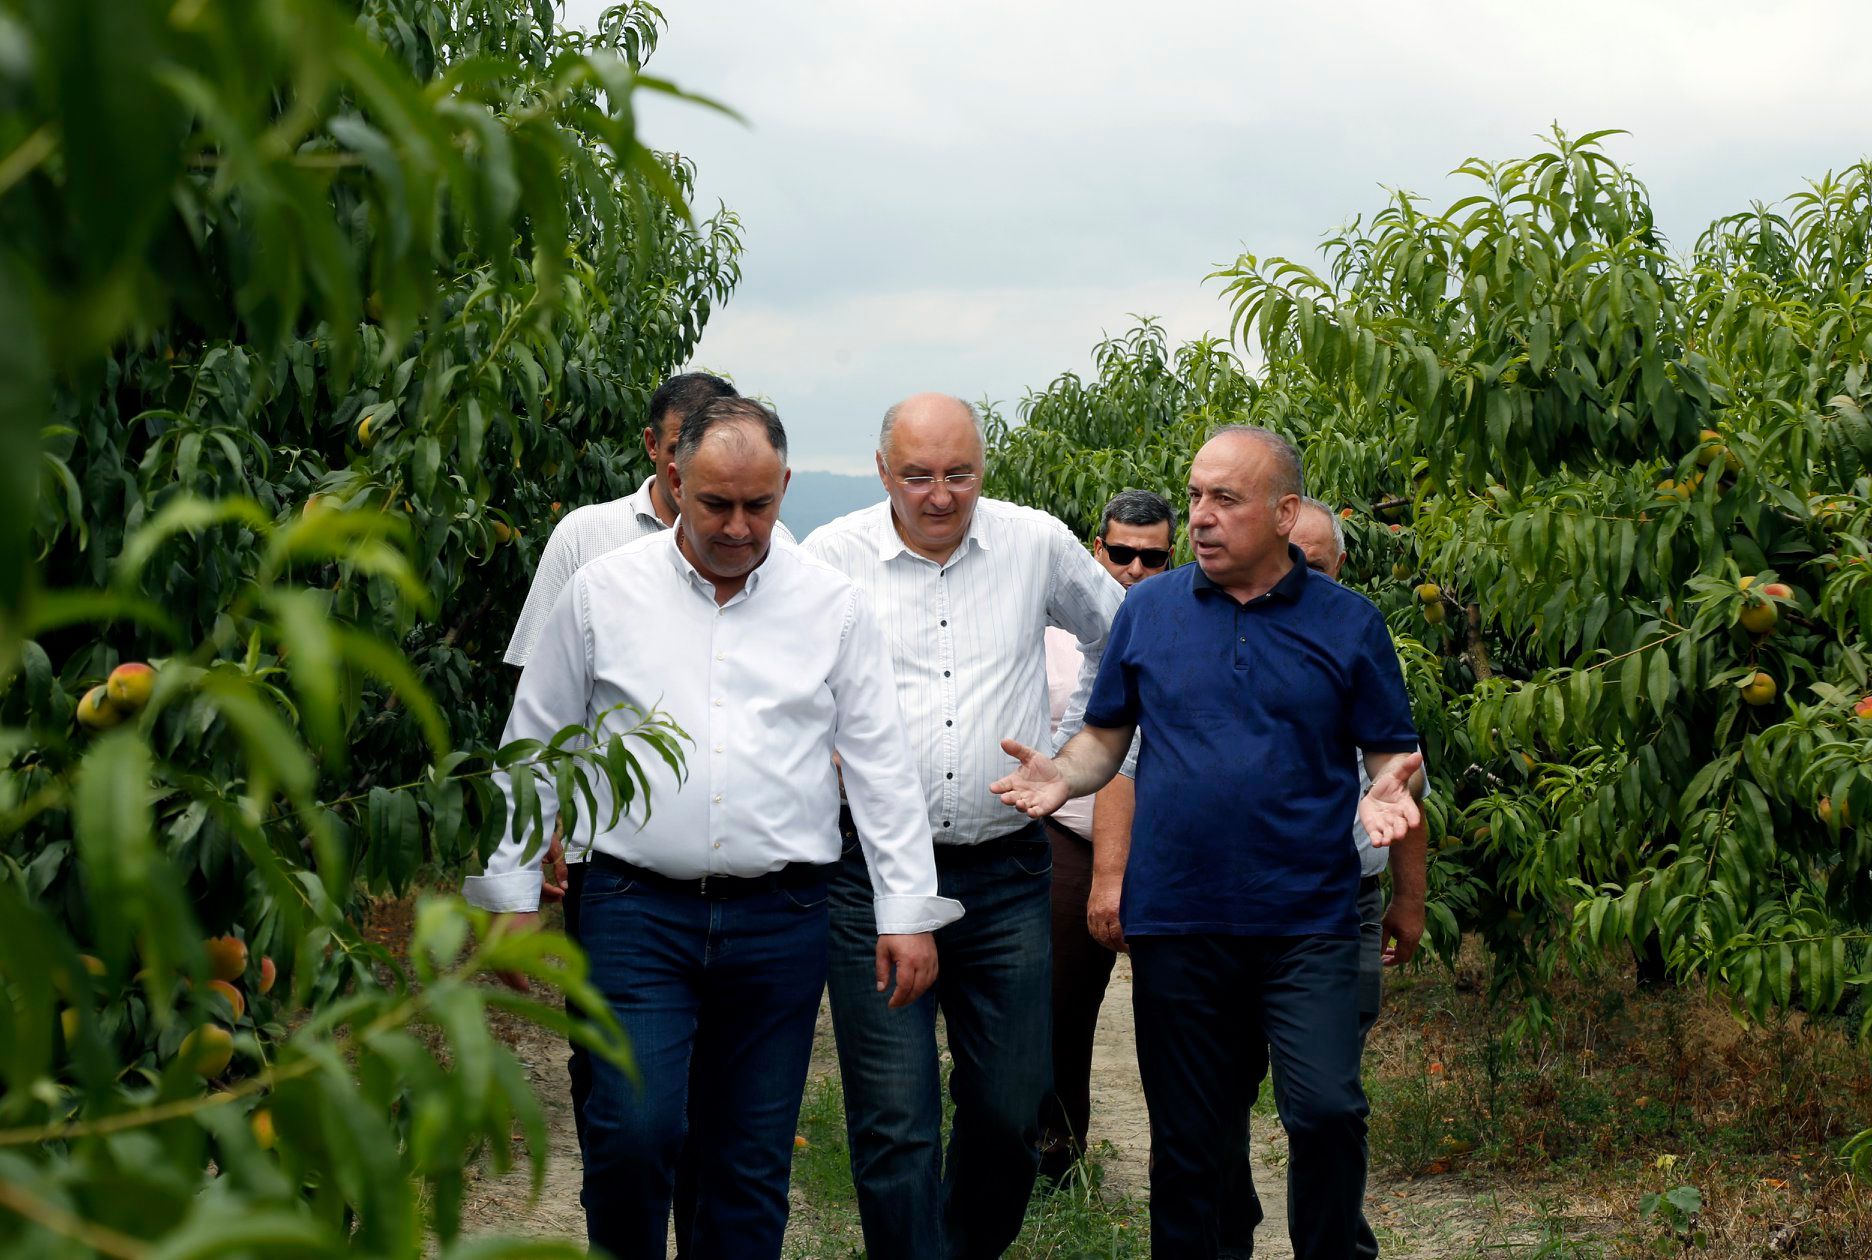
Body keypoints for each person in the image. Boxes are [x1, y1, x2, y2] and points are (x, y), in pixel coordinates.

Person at [463, 396, 961, 1259]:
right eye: (715, 504)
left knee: (749, 1159)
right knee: (633, 1129)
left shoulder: (832, 607)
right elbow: (535, 741)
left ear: (784, 487)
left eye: (757, 505)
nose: (737, 527)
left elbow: (880, 766)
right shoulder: (603, 594)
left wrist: (907, 912)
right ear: (673, 479)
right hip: (634, 909)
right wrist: (510, 893)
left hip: (782, 919)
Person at [989, 425, 1426, 1260]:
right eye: (1195, 495)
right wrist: (1064, 775)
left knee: (1327, 1111)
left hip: (1307, 919)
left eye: (1225, 499)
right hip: (1182, 922)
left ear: (1284, 512)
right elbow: (1106, 739)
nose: (1200, 516)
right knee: (1193, 1144)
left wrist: (1386, 789)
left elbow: (1387, 754)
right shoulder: (1148, 611)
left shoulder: (1349, 623)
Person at [801, 392, 1124, 1260]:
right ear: (881, 471)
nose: (940, 495)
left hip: (1004, 871)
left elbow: (1121, 641)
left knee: (1012, 1107)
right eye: (918, 476)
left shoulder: (1035, 544)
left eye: (960, 475)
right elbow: (782, 678)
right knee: (893, 1117)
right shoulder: (829, 558)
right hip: (870, 877)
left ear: (984, 469)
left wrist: (1070, 748)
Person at [1215, 495, 1430, 1260]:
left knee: (1328, 1103)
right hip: (1225, 909)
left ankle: (1333, 1246)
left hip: (1341, 905)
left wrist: (1410, 897)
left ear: (1339, 565)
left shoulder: (1356, 638)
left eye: (1314, 562)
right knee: (1219, 1096)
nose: (1295, 575)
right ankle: (1226, 1230)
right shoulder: (1217, 637)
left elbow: (1405, 779)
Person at [1035, 489, 1175, 1182]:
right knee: (1061, 1000)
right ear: (1098, 550)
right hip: (1071, 838)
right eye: (1121, 553)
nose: (1134, 569)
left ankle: (1182, 1163)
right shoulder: (1058, 636)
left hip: (1165, 850)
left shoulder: (1183, 628)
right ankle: (1055, 1152)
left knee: (1178, 1011)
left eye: (1152, 558)